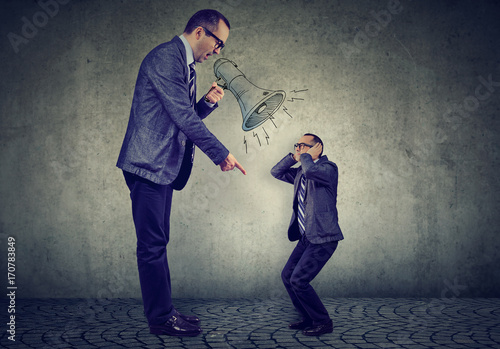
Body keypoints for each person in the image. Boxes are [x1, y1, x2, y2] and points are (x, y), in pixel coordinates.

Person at [116, 9, 246, 337]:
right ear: (200, 32)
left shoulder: (183, 64)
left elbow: (181, 118)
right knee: (152, 245)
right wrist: (221, 154)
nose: (218, 51)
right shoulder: (166, 58)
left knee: (158, 243)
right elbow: (184, 121)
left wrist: (205, 104)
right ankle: (161, 319)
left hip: (160, 167)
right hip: (147, 165)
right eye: (218, 43)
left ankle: (166, 313)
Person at [270, 133, 344, 336]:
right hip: (307, 238)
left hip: (323, 238)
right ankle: (309, 318)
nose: (298, 148)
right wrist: (294, 157)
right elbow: (275, 172)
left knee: (299, 280)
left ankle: (323, 322)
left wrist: (306, 158)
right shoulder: (302, 171)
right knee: (288, 276)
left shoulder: (328, 169)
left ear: (316, 148)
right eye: (297, 145)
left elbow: (312, 171)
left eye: (302, 145)